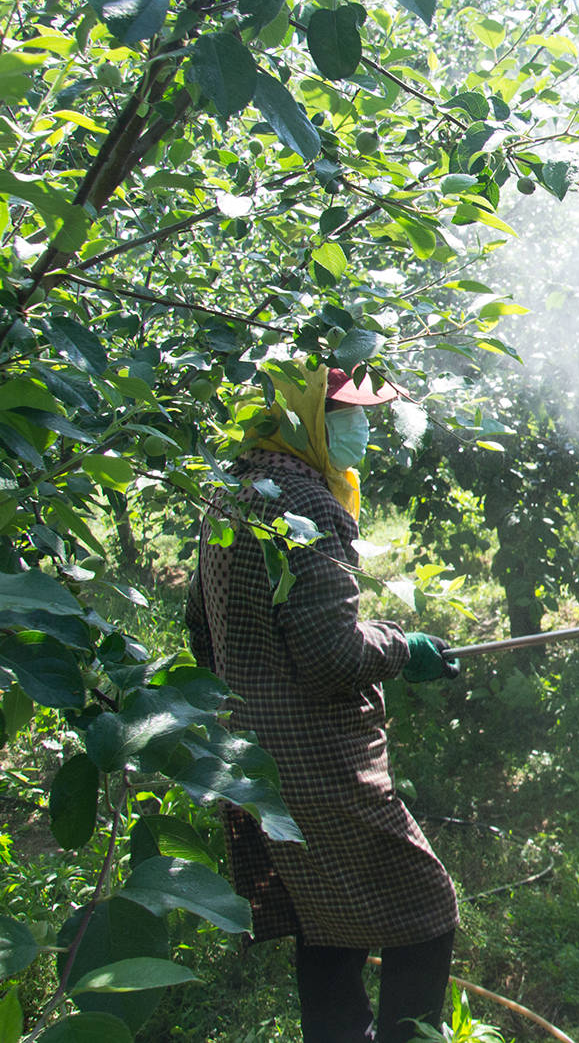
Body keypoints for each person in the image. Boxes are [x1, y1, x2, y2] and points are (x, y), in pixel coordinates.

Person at [185, 360, 461, 1043]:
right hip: (317, 761)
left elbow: (198, 621)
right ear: (305, 417)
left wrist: (250, 687)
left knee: (324, 912)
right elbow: (333, 655)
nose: (363, 428)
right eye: (346, 415)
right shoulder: (302, 504)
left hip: (256, 754)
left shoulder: (234, 487)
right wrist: (403, 648)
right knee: (426, 908)